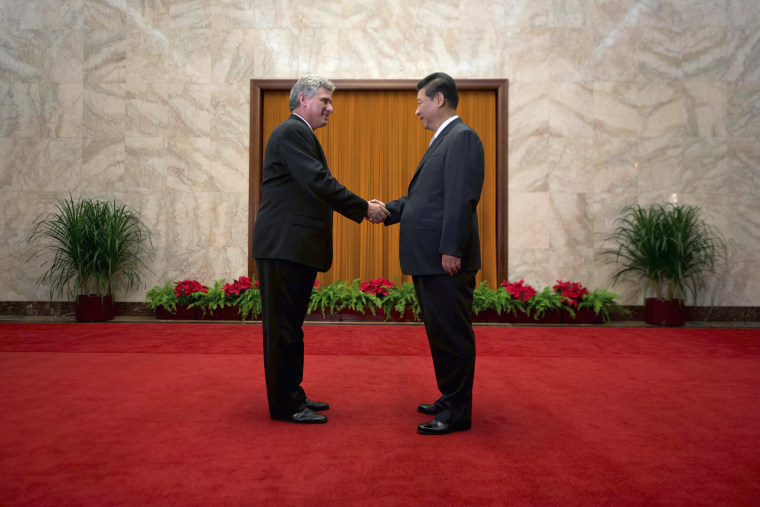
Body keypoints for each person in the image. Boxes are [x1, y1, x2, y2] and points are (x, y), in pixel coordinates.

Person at [252, 75, 389, 424]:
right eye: (325, 101)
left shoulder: (298, 134)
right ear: (302, 100)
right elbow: (318, 182)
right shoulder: (294, 132)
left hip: (291, 247)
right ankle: (286, 405)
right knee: (283, 328)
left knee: (291, 326)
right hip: (284, 246)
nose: (331, 108)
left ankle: (293, 394)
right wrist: (363, 208)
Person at [382, 72, 485, 435]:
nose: (417, 111)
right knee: (440, 332)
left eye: (419, 102)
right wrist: (388, 210)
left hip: (445, 261)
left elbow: (461, 199)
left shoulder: (462, 138)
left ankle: (456, 412)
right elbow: (424, 200)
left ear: (438, 99)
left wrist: (451, 249)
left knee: (452, 333)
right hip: (430, 259)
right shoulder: (444, 140)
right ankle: (448, 398)